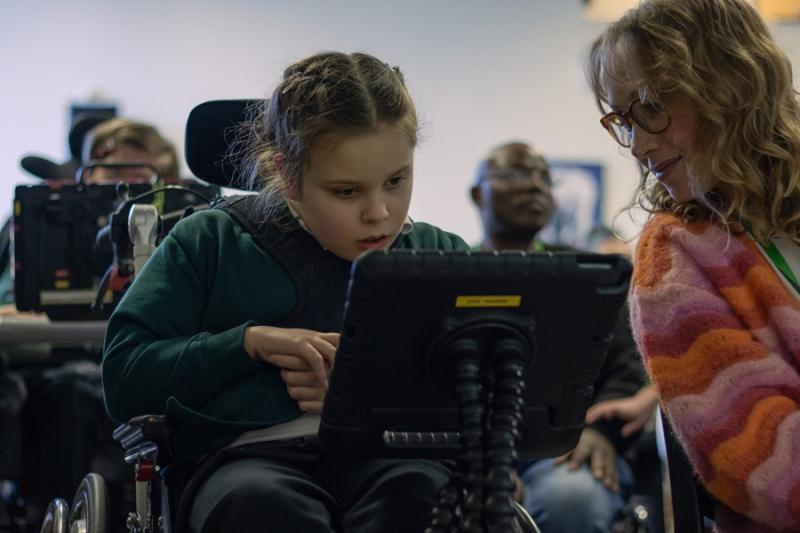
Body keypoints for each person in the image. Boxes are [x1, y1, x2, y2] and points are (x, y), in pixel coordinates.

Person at [102, 51, 469, 533]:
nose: (379, 212)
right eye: (346, 191)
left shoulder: (436, 255)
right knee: (266, 505)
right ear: (288, 175)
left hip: (394, 457)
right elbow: (125, 379)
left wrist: (372, 391)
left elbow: (500, 389)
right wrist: (245, 344)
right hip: (246, 463)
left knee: (423, 498)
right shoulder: (210, 242)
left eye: (397, 181)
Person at [588, 0, 800, 531]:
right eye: (624, 120)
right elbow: (761, 463)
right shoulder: (675, 261)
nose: (637, 145)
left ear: (729, 82)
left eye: (652, 107)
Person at [470, 141, 646, 533]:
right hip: (463, 453)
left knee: (572, 501)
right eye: (516, 173)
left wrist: (600, 432)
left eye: (544, 178)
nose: (535, 186)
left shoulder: (583, 275)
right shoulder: (445, 273)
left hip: (566, 449)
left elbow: (626, 363)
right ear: (478, 193)